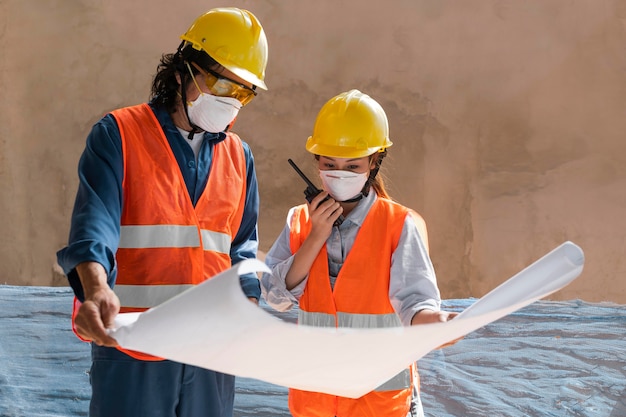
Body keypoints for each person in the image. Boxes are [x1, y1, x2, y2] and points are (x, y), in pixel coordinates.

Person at [56, 7, 268, 417]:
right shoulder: (119, 134)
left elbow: (240, 247)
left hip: (211, 358)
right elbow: (94, 223)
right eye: (220, 82)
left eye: (241, 92)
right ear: (181, 72)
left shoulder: (240, 158)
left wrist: (249, 311)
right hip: (135, 353)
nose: (228, 99)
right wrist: (96, 287)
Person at [261, 89, 458, 417]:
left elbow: (414, 306)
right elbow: (275, 296)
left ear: (374, 161)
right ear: (317, 163)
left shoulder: (398, 224)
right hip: (316, 405)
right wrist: (315, 237)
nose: (339, 173)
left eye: (352, 165)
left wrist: (440, 323)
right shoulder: (300, 221)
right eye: (330, 164)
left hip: (380, 407)